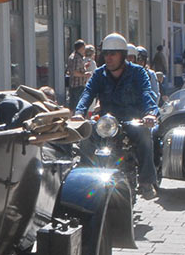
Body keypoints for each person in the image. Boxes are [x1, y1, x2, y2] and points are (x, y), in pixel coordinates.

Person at [74, 32, 160, 197]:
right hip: (107, 124)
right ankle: (84, 177)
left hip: (132, 122)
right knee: (86, 133)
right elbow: (87, 93)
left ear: (123, 55)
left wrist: (150, 113)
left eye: (113, 54)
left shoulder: (138, 73)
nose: (109, 58)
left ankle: (146, 182)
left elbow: (146, 94)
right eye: (106, 54)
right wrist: (79, 113)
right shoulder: (99, 74)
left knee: (145, 135)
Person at [65, 39, 89, 107]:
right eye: (84, 48)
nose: (85, 50)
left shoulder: (73, 56)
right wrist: (85, 75)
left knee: (72, 106)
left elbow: (74, 69)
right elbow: (74, 72)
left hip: (73, 85)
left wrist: (84, 67)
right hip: (78, 85)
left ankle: (71, 117)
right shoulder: (77, 58)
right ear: (81, 48)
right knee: (79, 105)